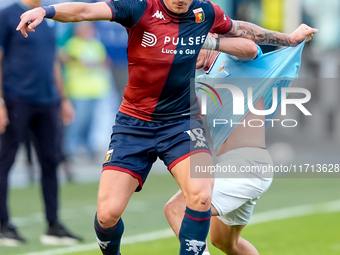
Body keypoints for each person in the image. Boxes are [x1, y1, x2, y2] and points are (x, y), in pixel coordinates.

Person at [16, 1, 317, 254]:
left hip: (182, 122)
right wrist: (47, 11)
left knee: (198, 197)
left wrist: (288, 39)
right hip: (134, 125)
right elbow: (85, 11)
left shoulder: (205, 16)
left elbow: (247, 41)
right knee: (108, 215)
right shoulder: (139, 8)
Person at [164, 34, 307, 255]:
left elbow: (251, 49)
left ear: (210, 37)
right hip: (232, 167)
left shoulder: (234, 58)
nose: (190, 54)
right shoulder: (203, 80)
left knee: (176, 209)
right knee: (224, 242)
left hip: (247, 165)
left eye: (194, 46)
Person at [0, 0, 83, 246]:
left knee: (50, 161)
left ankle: (53, 225)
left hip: (48, 101)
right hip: (16, 99)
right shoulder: (7, 15)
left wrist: (64, 98)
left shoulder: (47, 17)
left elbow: (53, 60)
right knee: (5, 161)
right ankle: (3, 225)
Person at [60, 21, 113, 160]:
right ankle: (69, 149)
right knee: (78, 121)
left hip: (95, 90)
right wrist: (82, 61)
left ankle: (88, 149)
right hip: (79, 90)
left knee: (91, 122)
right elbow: (65, 57)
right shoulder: (73, 44)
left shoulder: (96, 44)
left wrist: (92, 63)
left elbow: (105, 61)